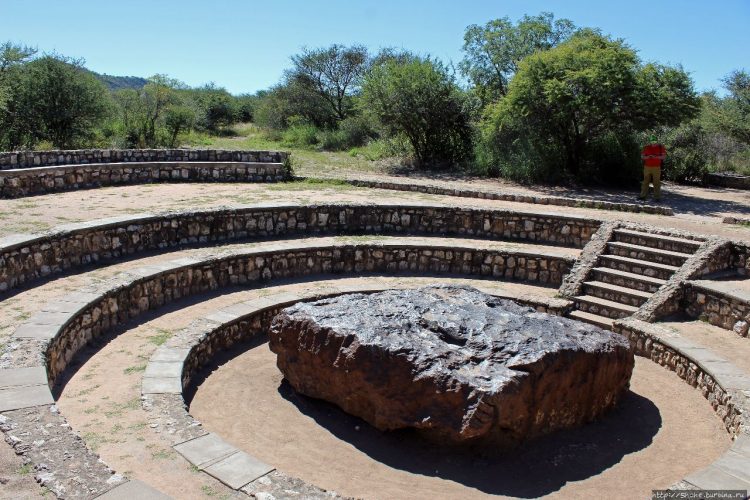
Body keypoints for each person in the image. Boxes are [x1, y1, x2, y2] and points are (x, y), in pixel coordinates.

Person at [639, 135, 667, 201]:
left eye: (654, 141)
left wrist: (655, 157)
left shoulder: (661, 147)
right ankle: (642, 196)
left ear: (657, 141)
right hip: (647, 167)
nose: (653, 143)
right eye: (652, 141)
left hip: (657, 167)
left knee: (656, 182)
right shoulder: (646, 147)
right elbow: (642, 157)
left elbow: (663, 157)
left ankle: (657, 198)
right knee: (645, 181)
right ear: (650, 141)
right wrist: (648, 157)